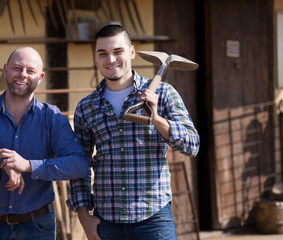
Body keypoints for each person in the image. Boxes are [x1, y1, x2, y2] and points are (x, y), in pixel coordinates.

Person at [66, 25, 200, 240]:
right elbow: (78, 164)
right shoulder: (86, 107)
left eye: (118, 51)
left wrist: (157, 119)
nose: (111, 59)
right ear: (96, 58)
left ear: (131, 52)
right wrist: (84, 216)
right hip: (106, 222)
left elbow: (192, 145)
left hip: (154, 220)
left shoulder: (163, 94)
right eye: (103, 53)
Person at [0, 47, 89, 240]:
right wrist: (3, 160)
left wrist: (29, 166)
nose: (22, 75)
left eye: (30, 71)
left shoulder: (51, 117)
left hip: (37, 226)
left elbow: (79, 164)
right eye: (17, 68)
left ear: (40, 77)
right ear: (5, 70)